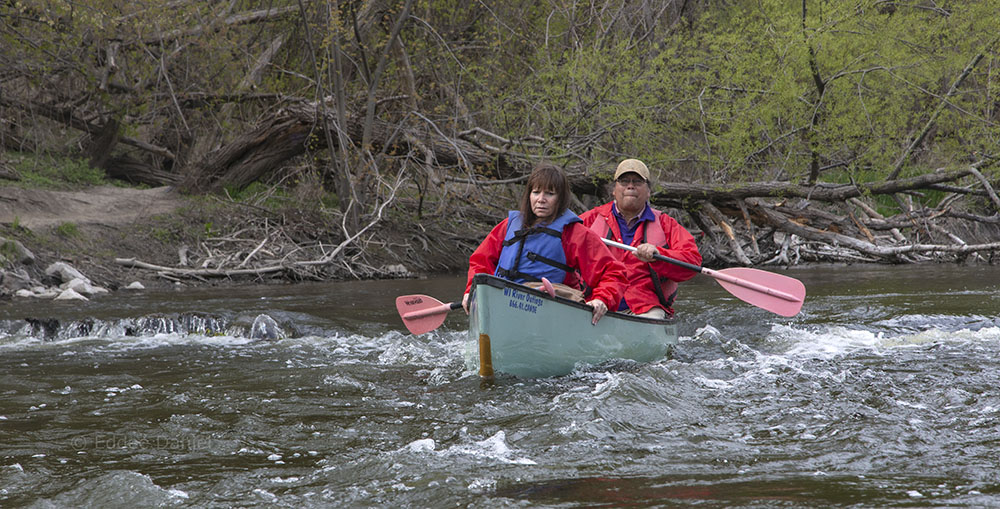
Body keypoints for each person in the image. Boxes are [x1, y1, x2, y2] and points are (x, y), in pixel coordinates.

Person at [463, 163, 627, 325]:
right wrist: (472, 291)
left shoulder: (574, 233)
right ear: (529, 195)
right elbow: (480, 262)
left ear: (560, 199)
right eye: (536, 192)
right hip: (503, 299)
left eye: (549, 194)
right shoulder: (508, 226)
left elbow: (613, 273)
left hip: (549, 305)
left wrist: (602, 299)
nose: (541, 199)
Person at [580, 158, 702, 319]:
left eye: (637, 182)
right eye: (624, 181)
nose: (630, 186)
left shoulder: (666, 224)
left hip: (644, 307)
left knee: (654, 318)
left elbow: (692, 262)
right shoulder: (588, 220)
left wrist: (659, 255)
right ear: (614, 190)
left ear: (648, 191)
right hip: (595, 302)